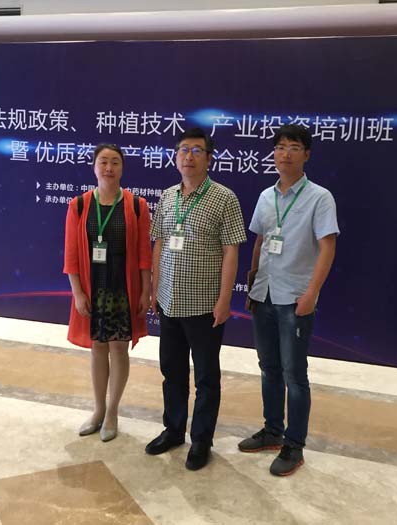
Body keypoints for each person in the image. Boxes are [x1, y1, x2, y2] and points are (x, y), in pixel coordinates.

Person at [238, 124, 339, 476]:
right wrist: (252, 283)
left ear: (306, 154)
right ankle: (272, 431)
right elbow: (260, 240)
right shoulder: (266, 196)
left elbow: (328, 247)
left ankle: (294, 445)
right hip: (263, 293)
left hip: (295, 298)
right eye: (280, 147)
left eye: (293, 147)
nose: (285, 153)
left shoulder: (319, 198)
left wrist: (311, 293)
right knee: (269, 368)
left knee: (294, 374)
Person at [146, 127, 247, 471]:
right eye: (183, 150)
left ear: (209, 158)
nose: (189, 156)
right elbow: (159, 242)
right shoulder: (168, 196)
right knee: (171, 370)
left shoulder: (224, 198)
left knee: (205, 377)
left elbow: (231, 251)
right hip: (169, 302)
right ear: (176, 157)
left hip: (204, 305)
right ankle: (173, 430)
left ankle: (201, 440)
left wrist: (225, 300)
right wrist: (154, 288)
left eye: (197, 150)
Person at [63, 144, 151, 442]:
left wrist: (146, 291)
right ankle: (98, 409)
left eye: (115, 162)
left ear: (122, 168)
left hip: (123, 288)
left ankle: (113, 412)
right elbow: (71, 256)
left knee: (118, 348)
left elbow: (144, 255)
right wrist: (77, 293)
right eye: (103, 162)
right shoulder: (78, 205)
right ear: (94, 167)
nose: (109, 168)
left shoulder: (137, 205)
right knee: (98, 348)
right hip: (93, 287)